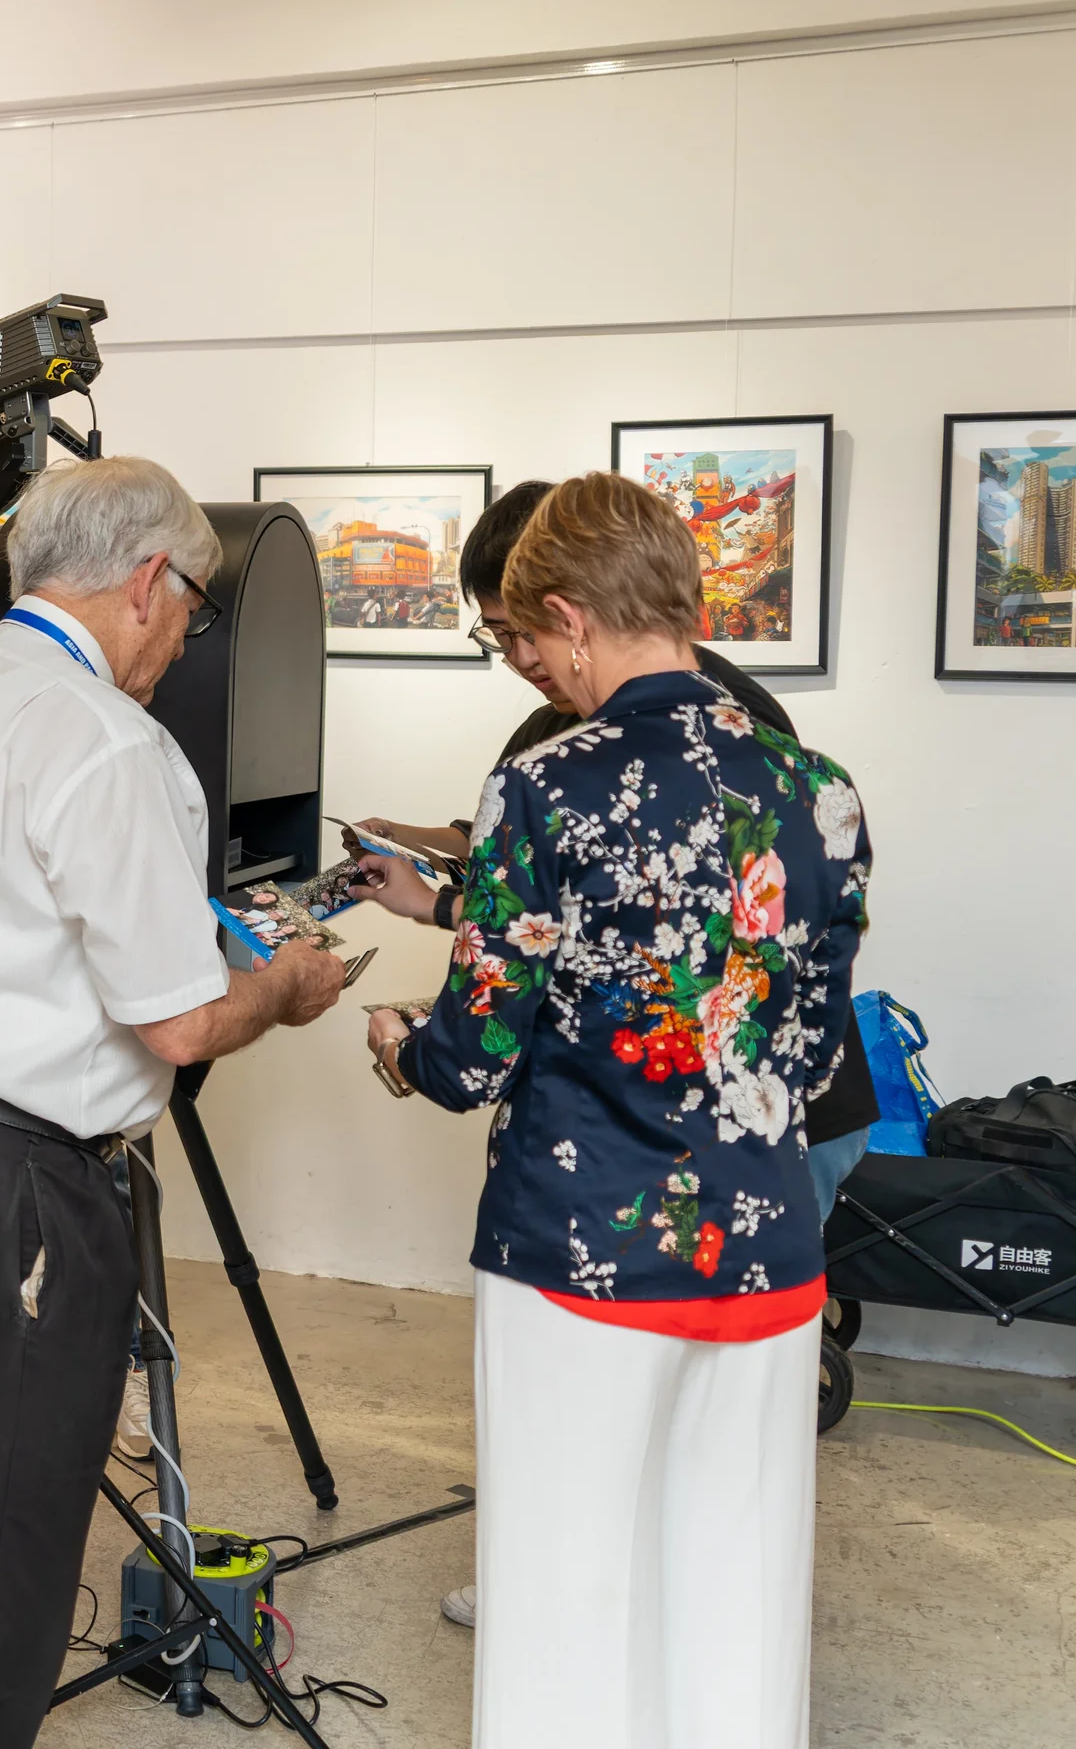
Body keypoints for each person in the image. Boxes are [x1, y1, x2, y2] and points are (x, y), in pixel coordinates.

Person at [0, 456, 346, 1749]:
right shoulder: (107, 738)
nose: (182, 639)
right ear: (148, 581)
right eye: (193, 609)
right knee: (2, 1531)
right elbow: (174, 1017)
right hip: (14, 1180)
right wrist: (278, 988)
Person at [366, 472, 869, 1749]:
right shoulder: (822, 791)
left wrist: (399, 1046)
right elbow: (802, 1057)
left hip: (582, 1250)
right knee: (738, 1588)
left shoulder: (546, 784)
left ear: (569, 614)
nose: (532, 664)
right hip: (764, 1253)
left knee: (563, 1588)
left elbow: (475, 1051)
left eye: (526, 639)